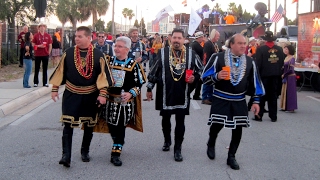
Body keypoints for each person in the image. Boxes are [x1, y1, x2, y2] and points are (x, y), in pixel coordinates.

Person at [49, 26, 114, 168]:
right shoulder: (69, 53)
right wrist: (55, 89)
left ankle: (85, 151)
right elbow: (60, 71)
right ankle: (66, 155)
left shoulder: (98, 55)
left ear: (89, 38)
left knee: (89, 124)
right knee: (67, 124)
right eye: (76, 36)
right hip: (71, 94)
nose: (76, 39)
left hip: (91, 95)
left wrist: (103, 94)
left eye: (79, 36)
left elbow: (104, 76)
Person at [202, 34, 265, 170]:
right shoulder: (217, 57)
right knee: (216, 125)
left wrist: (256, 101)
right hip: (221, 98)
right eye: (240, 43)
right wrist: (217, 76)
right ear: (231, 44)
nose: (243, 46)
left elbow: (256, 83)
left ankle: (231, 156)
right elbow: (204, 77)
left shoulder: (250, 61)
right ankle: (211, 142)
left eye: (245, 43)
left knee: (238, 129)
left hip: (239, 100)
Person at [146, 29, 203, 162]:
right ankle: (167, 140)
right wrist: (149, 88)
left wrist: (194, 77)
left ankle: (178, 149)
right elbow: (154, 70)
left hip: (182, 92)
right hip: (165, 91)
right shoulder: (163, 52)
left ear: (184, 39)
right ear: (171, 39)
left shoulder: (191, 54)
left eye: (179, 38)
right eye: (174, 38)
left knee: (180, 121)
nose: (176, 40)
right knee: (166, 119)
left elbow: (201, 69)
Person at [98, 36, 146, 166]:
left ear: (127, 49)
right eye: (115, 46)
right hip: (108, 101)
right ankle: (118, 141)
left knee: (120, 126)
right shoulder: (108, 61)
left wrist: (131, 94)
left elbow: (139, 84)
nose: (116, 48)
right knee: (111, 126)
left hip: (124, 103)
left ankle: (116, 152)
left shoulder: (133, 65)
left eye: (119, 46)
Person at [253, 31, 285, 122]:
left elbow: (258, 63)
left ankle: (259, 115)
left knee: (262, 95)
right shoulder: (279, 49)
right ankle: (273, 116)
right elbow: (281, 62)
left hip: (264, 76)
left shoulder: (261, 49)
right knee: (273, 96)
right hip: (275, 75)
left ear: (265, 39)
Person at [202, 29, 220, 105]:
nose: (218, 37)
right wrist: (206, 65)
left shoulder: (213, 44)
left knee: (211, 82)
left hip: (212, 65)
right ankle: (205, 97)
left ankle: (210, 96)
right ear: (214, 36)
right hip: (208, 65)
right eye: (217, 36)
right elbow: (205, 55)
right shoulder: (208, 44)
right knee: (207, 81)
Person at [32, 22, 52, 87]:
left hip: (45, 54)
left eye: (43, 26)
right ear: (39, 28)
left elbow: (50, 45)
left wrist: (48, 52)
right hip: (38, 54)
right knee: (37, 68)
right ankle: (35, 82)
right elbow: (33, 45)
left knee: (45, 69)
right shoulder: (36, 35)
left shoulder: (47, 36)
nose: (42, 28)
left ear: (45, 28)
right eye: (41, 26)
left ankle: (45, 82)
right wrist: (39, 46)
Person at [280, 45, 297, 112]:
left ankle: (291, 108)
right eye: (284, 49)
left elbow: (291, 69)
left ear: (290, 50)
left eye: (286, 49)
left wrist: (284, 74)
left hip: (290, 77)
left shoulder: (292, 58)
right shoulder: (286, 57)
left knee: (290, 92)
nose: (285, 50)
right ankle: (285, 106)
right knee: (285, 91)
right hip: (286, 76)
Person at [190, 31, 205, 100]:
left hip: (196, 65)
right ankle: (194, 94)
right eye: (201, 37)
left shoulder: (194, 44)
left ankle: (195, 94)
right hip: (197, 66)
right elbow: (202, 52)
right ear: (198, 38)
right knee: (197, 79)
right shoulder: (196, 45)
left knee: (198, 80)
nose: (202, 39)